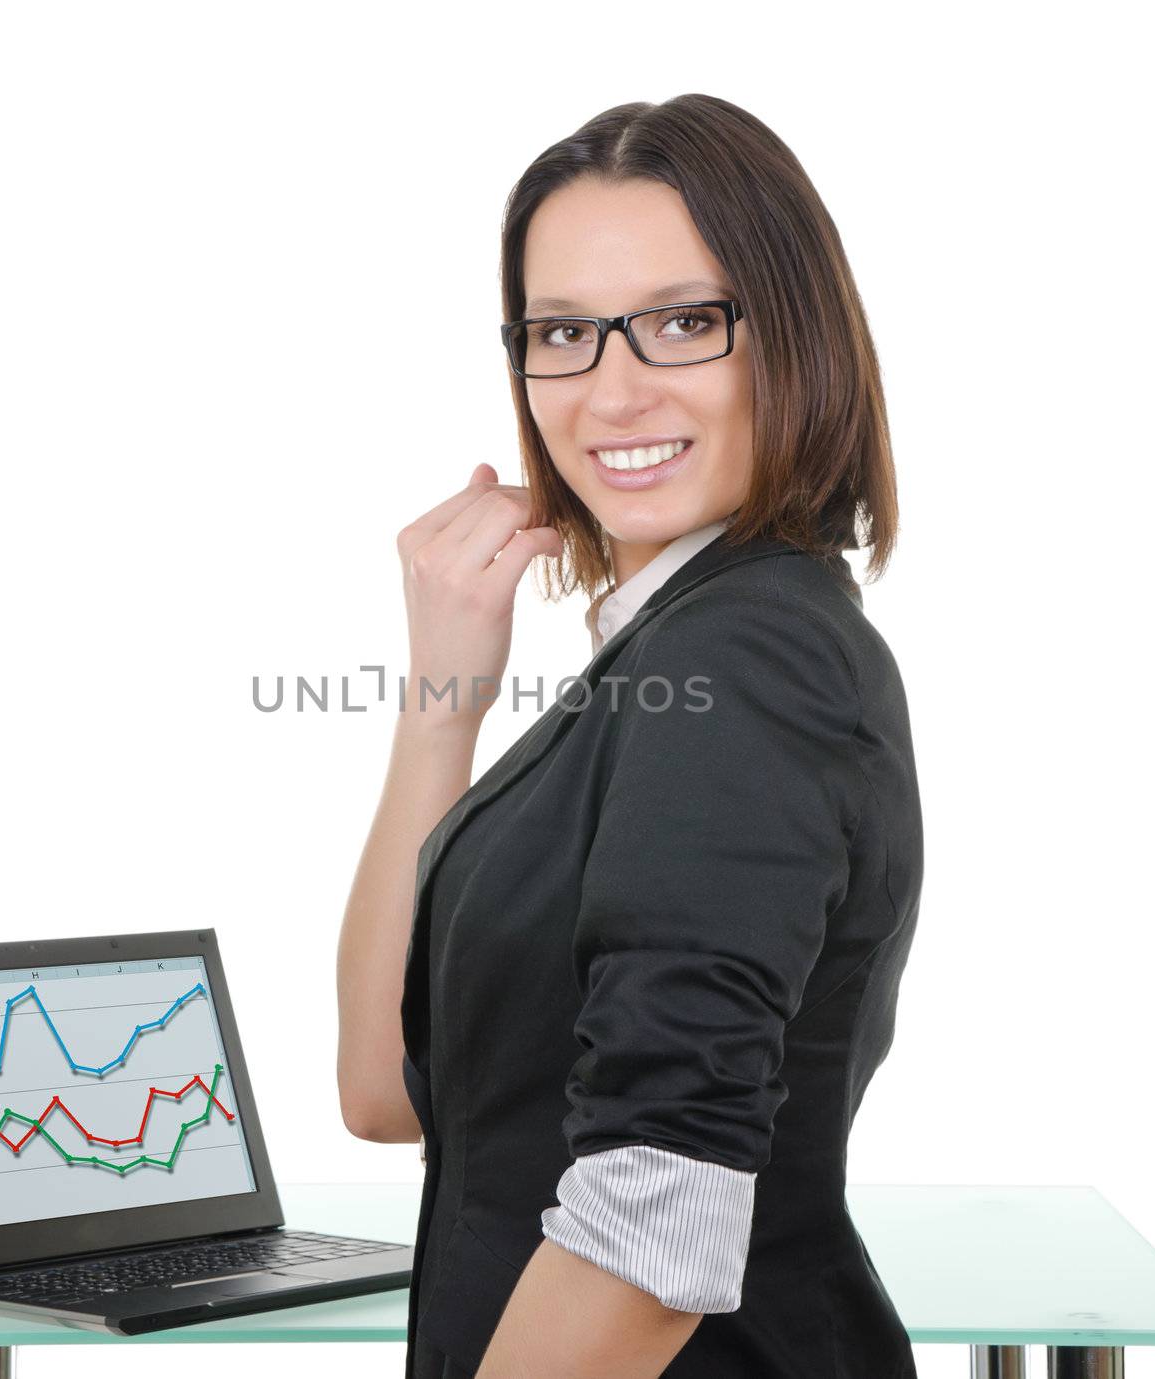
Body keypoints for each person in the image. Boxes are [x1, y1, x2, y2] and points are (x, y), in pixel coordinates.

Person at [336, 92, 923, 1379]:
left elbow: (657, 1214)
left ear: (794, 336)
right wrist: (444, 700)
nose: (611, 390)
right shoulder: (675, 648)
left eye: (680, 320)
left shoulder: (744, 656)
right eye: (562, 332)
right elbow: (388, 1086)